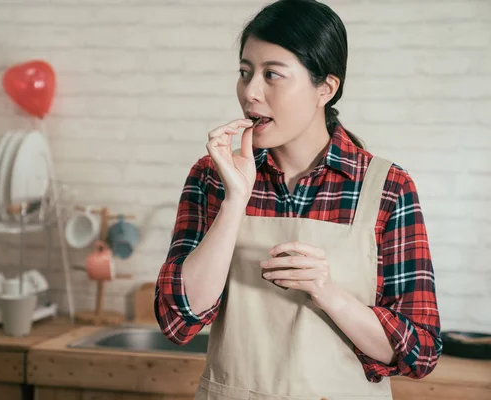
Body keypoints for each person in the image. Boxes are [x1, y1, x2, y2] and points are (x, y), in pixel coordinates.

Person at [154, 0, 442, 398]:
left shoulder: (387, 187)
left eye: (272, 74)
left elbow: (420, 353)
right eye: (244, 72)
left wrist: (329, 293)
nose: (250, 92)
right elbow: (177, 322)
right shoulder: (212, 176)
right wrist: (236, 199)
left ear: (325, 87)